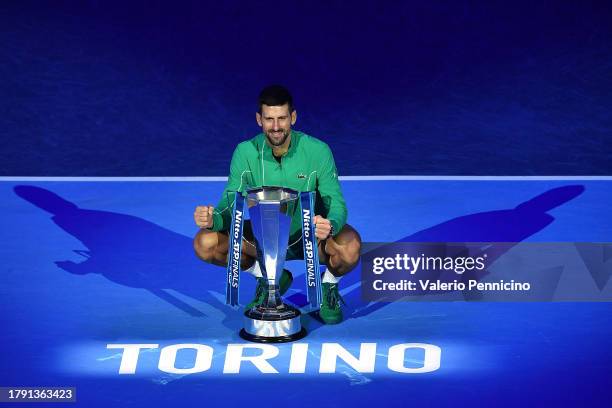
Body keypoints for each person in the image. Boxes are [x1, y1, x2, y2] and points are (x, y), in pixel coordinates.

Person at [193, 85, 361, 324]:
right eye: (269, 119)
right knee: (205, 243)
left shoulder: (318, 151)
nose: (275, 127)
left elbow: (336, 202)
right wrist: (214, 219)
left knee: (350, 246)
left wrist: (330, 225)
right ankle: (268, 278)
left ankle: (328, 287)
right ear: (258, 120)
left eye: (282, 118)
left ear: (293, 117)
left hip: (310, 237)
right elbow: (231, 200)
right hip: (263, 240)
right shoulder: (245, 152)